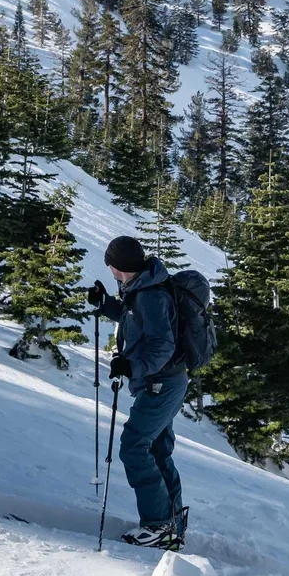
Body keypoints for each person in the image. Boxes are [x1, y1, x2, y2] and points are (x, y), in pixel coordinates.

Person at [87, 235, 188, 549]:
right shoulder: (142, 285)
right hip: (163, 380)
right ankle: (171, 525)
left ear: (117, 267)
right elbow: (135, 320)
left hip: (162, 383)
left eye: (111, 266)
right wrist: (106, 305)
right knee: (157, 450)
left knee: (133, 446)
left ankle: (159, 525)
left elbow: (162, 344)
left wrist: (132, 367)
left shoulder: (150, 294)